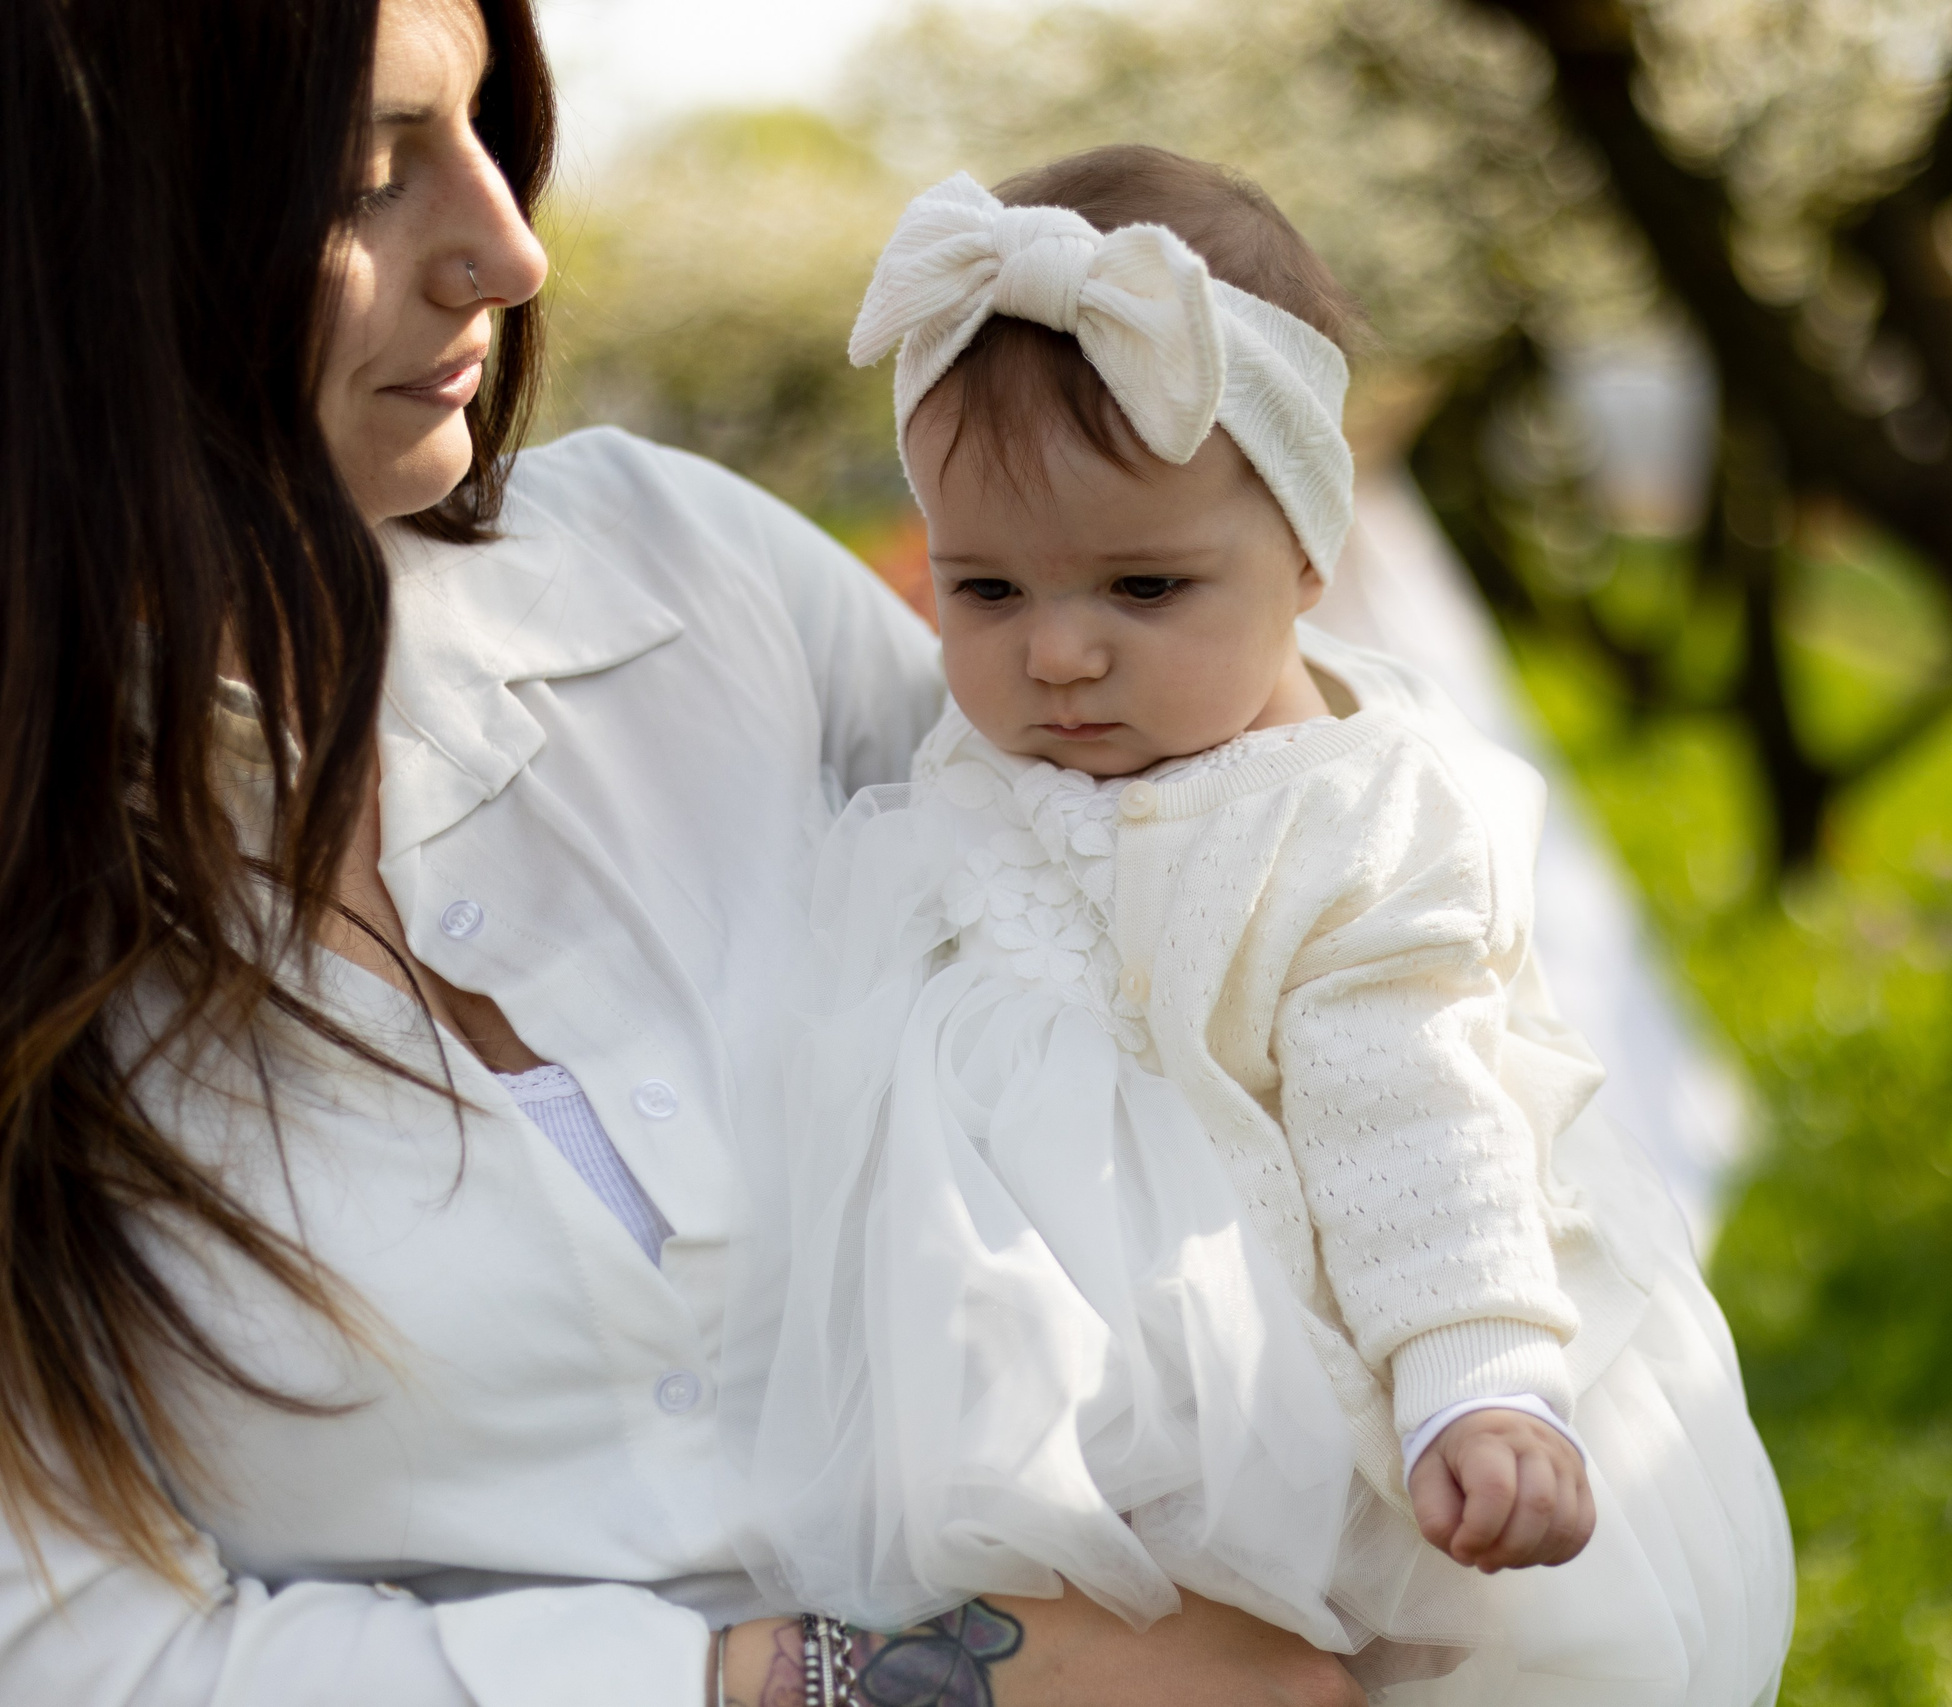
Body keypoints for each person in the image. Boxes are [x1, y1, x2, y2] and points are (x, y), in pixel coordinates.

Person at [0, 3, 1370, 1703]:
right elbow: (72, 1649)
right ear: (75, 234)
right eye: (366, 177)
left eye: (488, 130)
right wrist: (849, 1684)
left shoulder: (686, 568)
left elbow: (1256, 883)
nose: (508, 253)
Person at [733, 151, 1795, 1706]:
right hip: (1013, 1382)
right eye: (987, 591)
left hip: (1289, 1399)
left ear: (1307, 554)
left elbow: (1417, 1113)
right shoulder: (984, 766)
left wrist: (1473, 1377)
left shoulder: (1346, 824)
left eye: (1144, 586)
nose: (1059, 654)